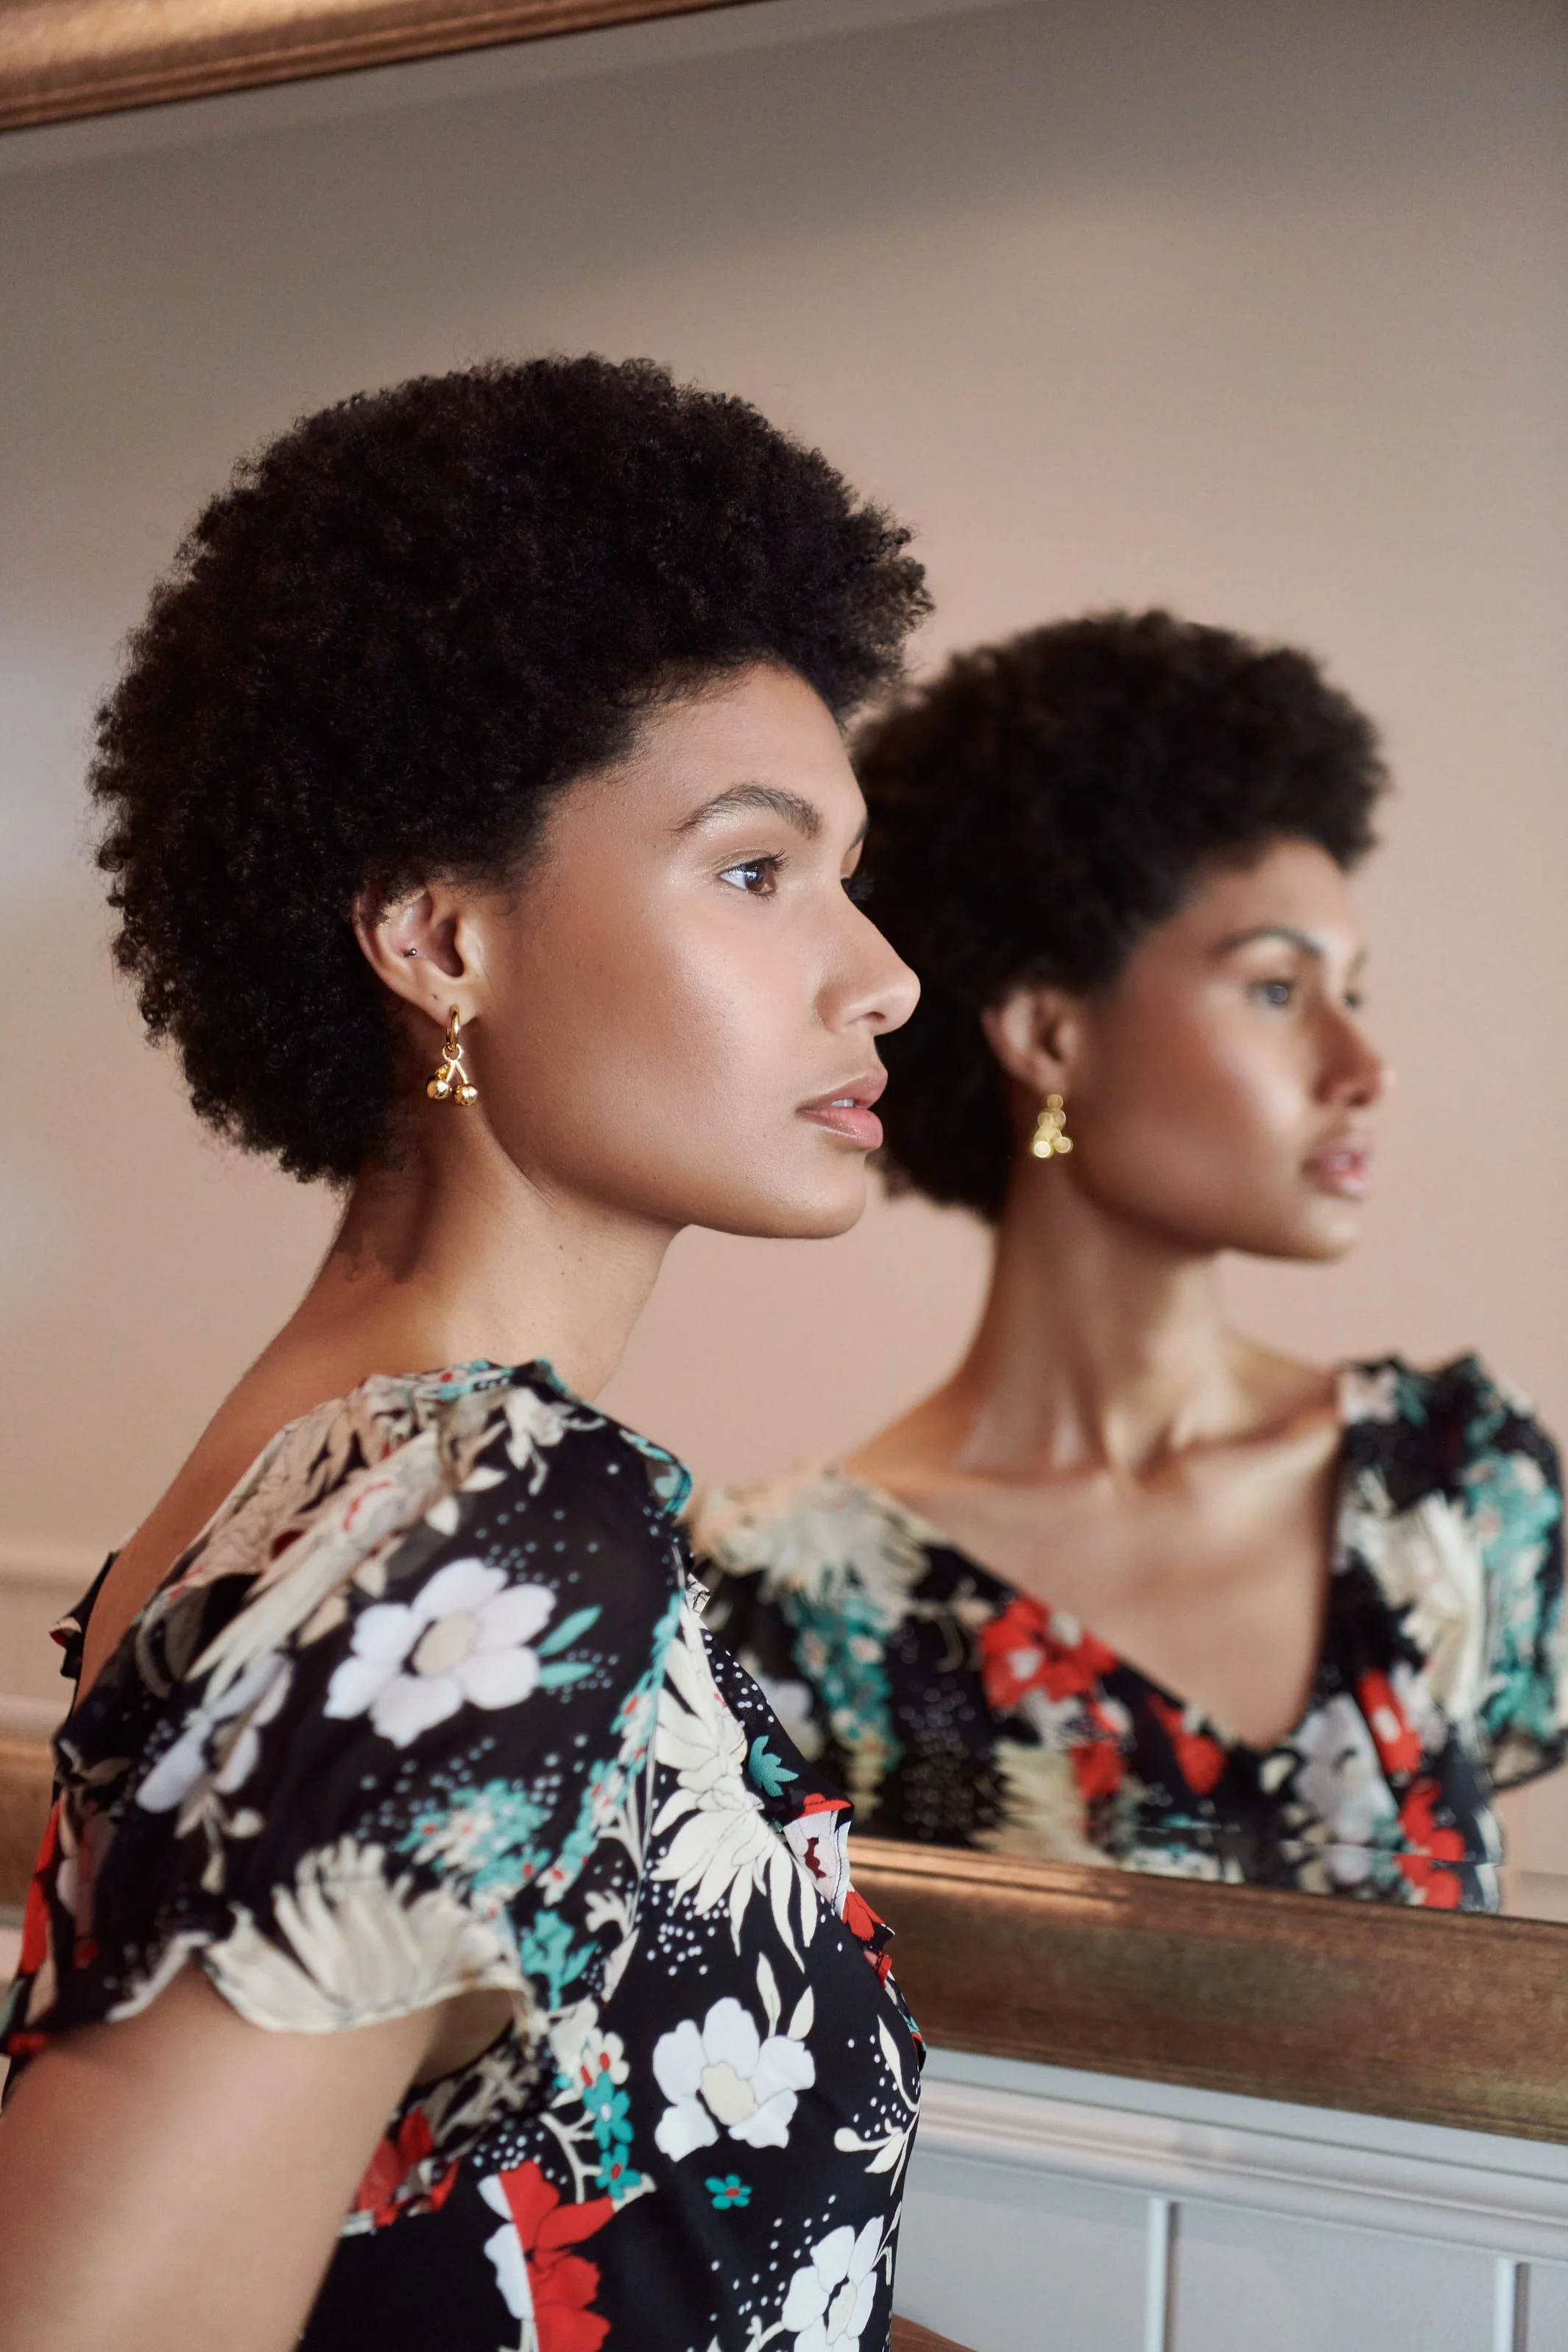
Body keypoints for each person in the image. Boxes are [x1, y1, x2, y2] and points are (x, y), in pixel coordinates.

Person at [0, 356, 942, 2352]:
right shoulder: (486, 1526)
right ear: (442, 939)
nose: (879, 972)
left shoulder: (343, 1463)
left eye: (844, 873)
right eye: (758, 870)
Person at [693, 611, 1565, 1909]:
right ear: (1047, 1034)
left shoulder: (1461, 1494)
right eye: (1276, 989)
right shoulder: (787, 1603)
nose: (1362, 1067)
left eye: (1353, 992)